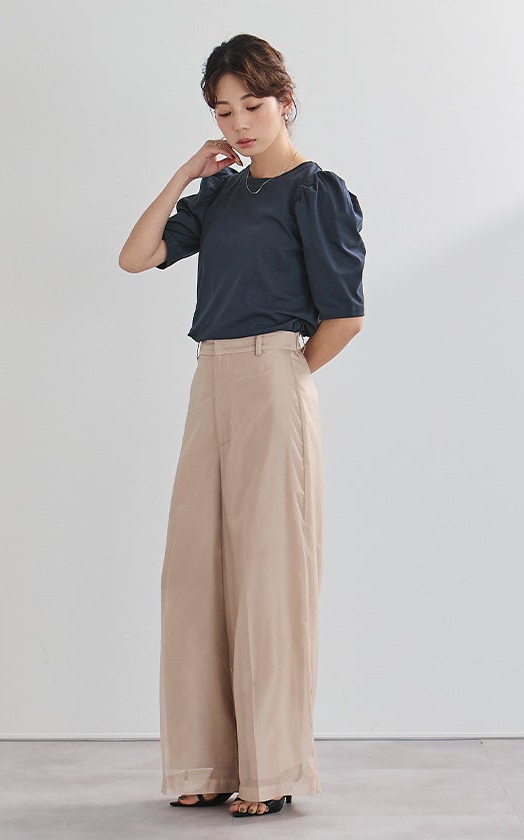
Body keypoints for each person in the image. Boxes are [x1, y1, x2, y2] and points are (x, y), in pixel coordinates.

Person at [118, 33, 365, 818]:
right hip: (210, 379)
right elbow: (135, 257)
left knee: (268, 577)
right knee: (193, 574)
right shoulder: (221, 195)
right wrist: (185, 175)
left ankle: (270, 770)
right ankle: (205, 762)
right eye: (223, 112)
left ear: (285, 101)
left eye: (252, 106)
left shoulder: (316, 191)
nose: (238, 124)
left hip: (273, 373)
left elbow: (345, 315)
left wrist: (284, 378)